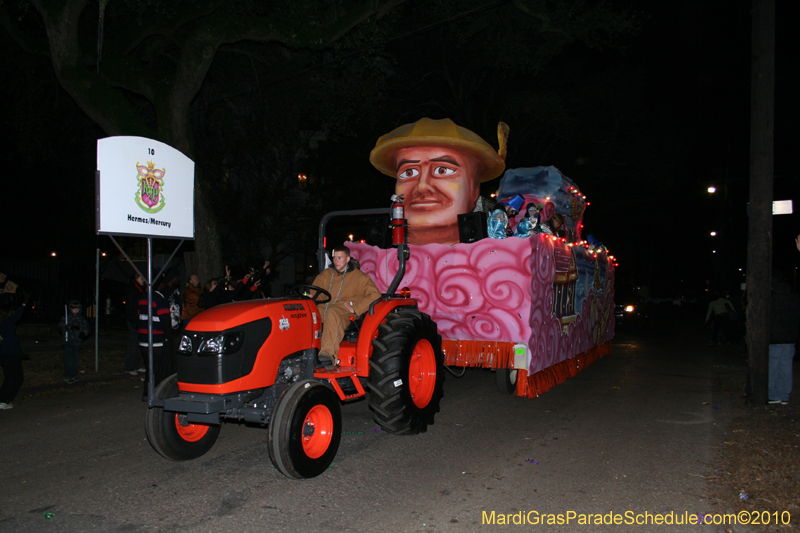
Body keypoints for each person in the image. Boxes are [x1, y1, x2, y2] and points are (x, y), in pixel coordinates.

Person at [369, 117, 508, 245]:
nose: (422, 186)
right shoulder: (375, 263)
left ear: (474, 189)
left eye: (442, 170)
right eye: (409, 172)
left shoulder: (496, 260)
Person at [311, 246, 381, 369]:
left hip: (346, 309)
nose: (336, 261)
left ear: (348, 259)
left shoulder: (360, 277)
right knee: (307, 314)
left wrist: (357, 308)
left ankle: (328, 354)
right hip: (326, 307)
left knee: (332, 313)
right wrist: (313, 297)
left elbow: (375, 295)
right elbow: (318, 293)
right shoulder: (326, 275)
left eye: (339, 258)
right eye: (334, 258)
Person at [768, 269, 800, 405]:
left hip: (774, 338)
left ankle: (774, 395)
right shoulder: (794, 297)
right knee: (786, 367)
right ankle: (784, 395)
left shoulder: (771, 298)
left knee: (772, 367)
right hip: (790, 338)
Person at [138, 276, 171, 401]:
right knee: (159, 369)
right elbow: (165, 320)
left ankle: (147, 393)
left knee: (150, 368)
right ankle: (157, 393)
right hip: (156, 339)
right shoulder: (159, 299)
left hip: (144, 339)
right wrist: (168, 336)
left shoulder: (142, 298)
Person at [0, 296, 27, 409]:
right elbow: (17, 315)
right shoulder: (4, 324)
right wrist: (24, 303)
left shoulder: (6, 325)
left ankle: (6, 399)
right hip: (8, 355)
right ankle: (3, 400)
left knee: (16, 377)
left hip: (11, 355)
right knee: (12, 377)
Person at [57, 300, 90, 384]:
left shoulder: (81, 319)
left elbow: (86, 328)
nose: (75, 310)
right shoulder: (67, 318)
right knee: (69, 360)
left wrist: (82, 333)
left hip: (77, 342)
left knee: (76, 360)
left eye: (77, 308)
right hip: (68, 341)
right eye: (73, 308)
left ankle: (73, 375)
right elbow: (61, 326)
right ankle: (68, 375)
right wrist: (68, 327)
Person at [123, 273, 146, 375]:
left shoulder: (139, 289)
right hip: (134, 320)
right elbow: (132, 307)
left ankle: (135, 365)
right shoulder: (133, 290)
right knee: (133, 343)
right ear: (136, 279)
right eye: (141, 278)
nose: (143, 280)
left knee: (137, 343)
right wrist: (134, 321)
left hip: (138, 319)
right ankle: (129, 367)